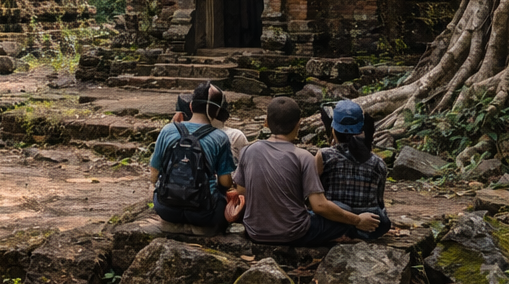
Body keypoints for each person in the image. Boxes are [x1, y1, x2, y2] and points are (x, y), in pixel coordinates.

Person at [230, 97, 386, 246]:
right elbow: (319, 206)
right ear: (299, 123)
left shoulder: (248, 151)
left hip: (255, 231)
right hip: (294, 233)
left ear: (266, 122)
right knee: (343, 215)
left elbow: (242, 193)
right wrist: (358, 220)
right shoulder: (303, 157)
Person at [150, 81, 237, 235]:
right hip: (204, 214)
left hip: (166, 209)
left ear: (191, 106)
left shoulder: (168, 130)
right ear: (217, 111)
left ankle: (174, 223)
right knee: (226, 198)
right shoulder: (220, 137)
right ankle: (200, 227)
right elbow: (225, 182)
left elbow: (154, 175)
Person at [315, 99, 392, 234]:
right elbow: (379, 202)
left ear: (333, 129)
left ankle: (343, 232)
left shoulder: (324, 155)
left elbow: (314, 192)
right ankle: (355, 234)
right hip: (369, 226)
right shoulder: (379, 163)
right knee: (381, 219)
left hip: (334, 221)